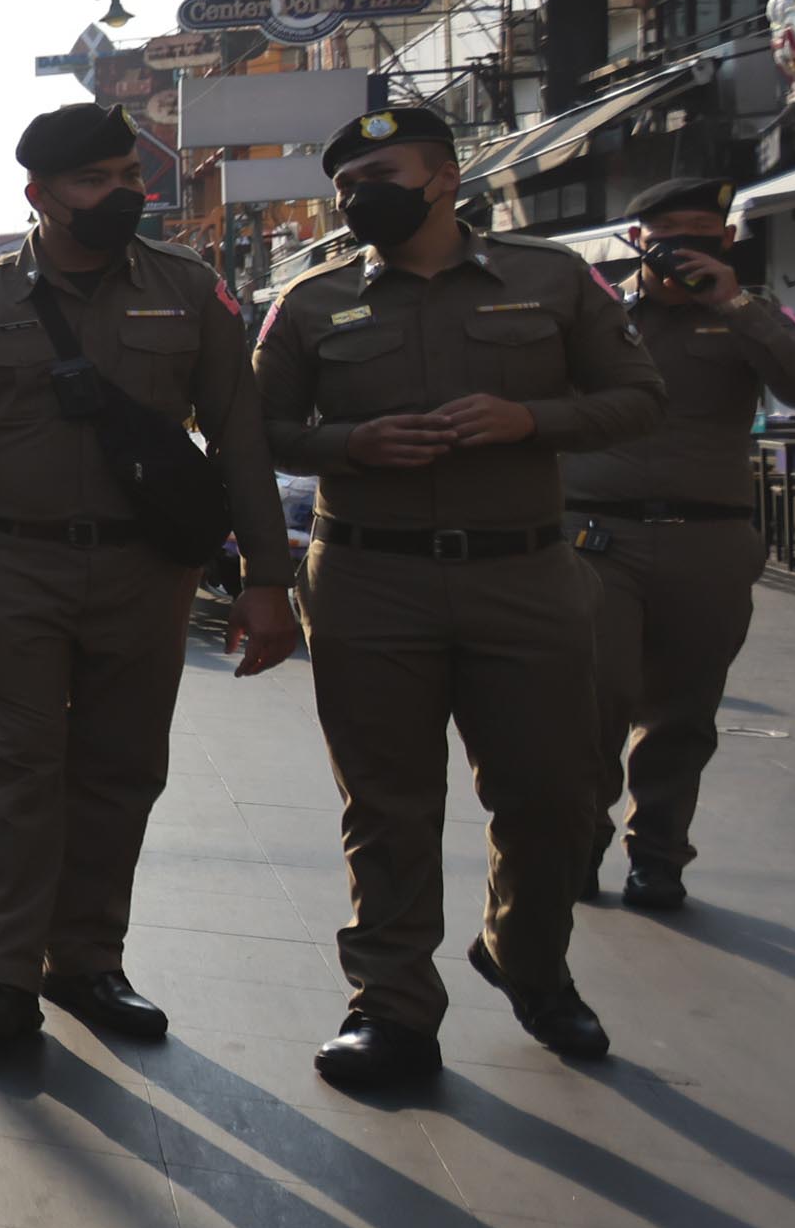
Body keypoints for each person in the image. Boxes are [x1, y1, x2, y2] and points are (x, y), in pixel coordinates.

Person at [257, 99, 665, 1088]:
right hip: (368, 576)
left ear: (444, 176)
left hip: (521, 574)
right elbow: (257, 431)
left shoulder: (551, 281)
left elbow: (641, 400)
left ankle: (528, 959)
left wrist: (529, 418)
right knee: (389, 806)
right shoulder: (311, 304)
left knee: (554, 795)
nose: (359, 198)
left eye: (380, 178)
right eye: (346, 187)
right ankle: (391, 1007)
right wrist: (353, 444)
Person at [0, 104, 302, 1047]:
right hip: (14, 565)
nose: (122, 194)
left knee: (121, 770)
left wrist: (264, 576)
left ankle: (86, 961)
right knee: (22, 770)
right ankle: (0, 972)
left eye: (129, 175)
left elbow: (240, 440)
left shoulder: (189, 288)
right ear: (40, 196)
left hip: (146, 572)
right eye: (96, 181)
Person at [569, 176, 795, 909]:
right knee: (593, 702)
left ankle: (657, 857)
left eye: (703, 231)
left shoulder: (751, 315)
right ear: (637, 241)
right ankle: (577, 843)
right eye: (668, 234)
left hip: (708, 539)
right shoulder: (592, 313)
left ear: (726, 240)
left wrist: (734, 302)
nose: (684, 246)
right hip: (597, 537)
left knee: (682, 714)